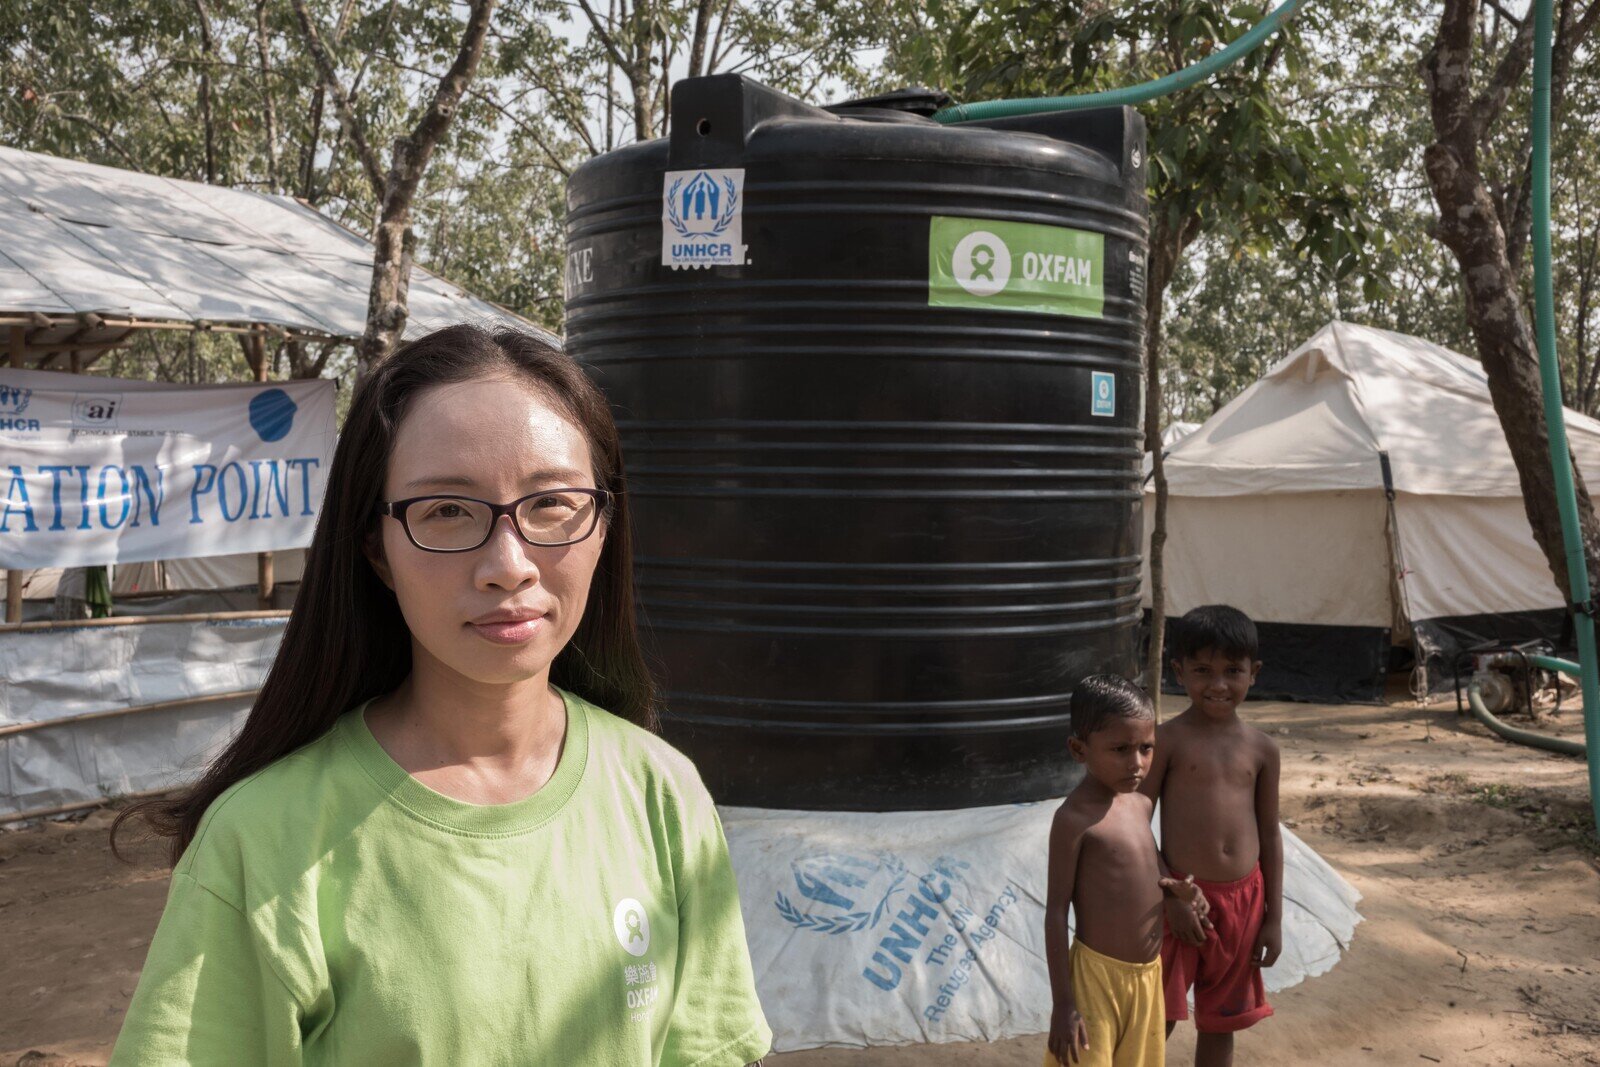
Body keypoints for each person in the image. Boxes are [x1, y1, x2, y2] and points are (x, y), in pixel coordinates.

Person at [109, 325, 772, 1066]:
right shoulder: (261, 841)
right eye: (447, 511)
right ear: (376, 550)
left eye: (552, 503)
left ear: (604, 524)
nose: (507, 564)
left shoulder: (663, 795)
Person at [1140, 604, 1282, 1067]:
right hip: (1182, 895)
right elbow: (1135, 824)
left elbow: (1271, 836)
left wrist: (1273, 917)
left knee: (1222, 1022)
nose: (1217, 684)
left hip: (1244, 904)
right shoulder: (1166, 742)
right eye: (1202, 670)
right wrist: (1170, 894)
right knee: (1156, 1016)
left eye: (1232, 671)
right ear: (1179, 672)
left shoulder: (1263, 749)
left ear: (1253, 673)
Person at [1043, 675, 1207, 1067]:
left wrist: (1180, 897)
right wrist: (1063, 1004)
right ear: (1078, 749)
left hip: (1148, 976)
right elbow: (1055, 911)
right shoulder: (1073, 820)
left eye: (1146, 748)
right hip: (1096, 981)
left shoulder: (1140, 805)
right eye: (1120, 749)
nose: (1137, 763)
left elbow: (1152, 870)